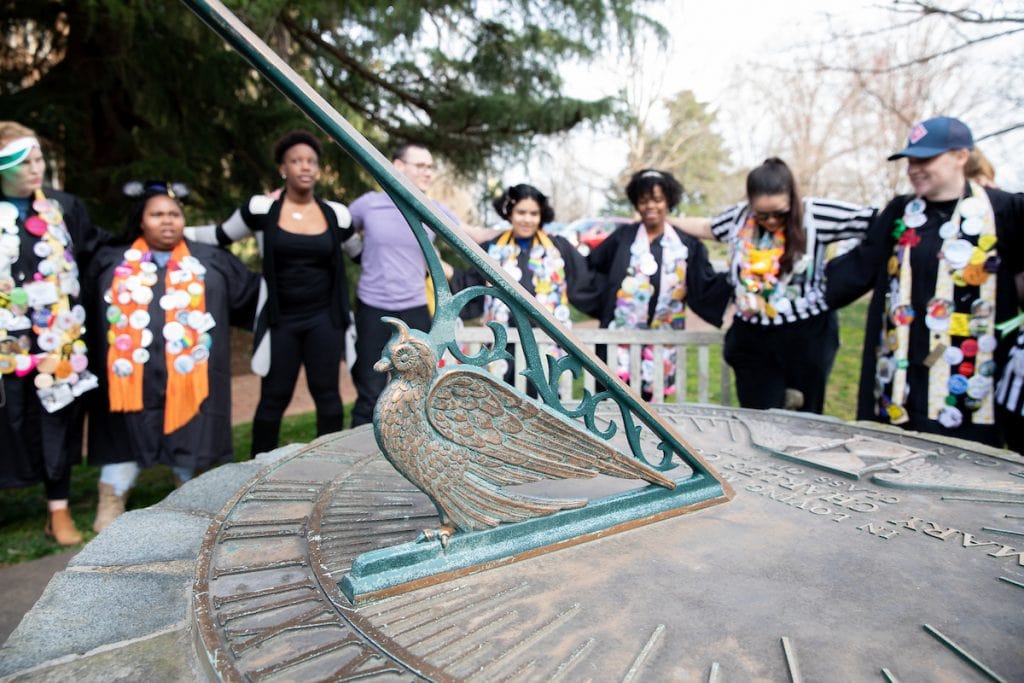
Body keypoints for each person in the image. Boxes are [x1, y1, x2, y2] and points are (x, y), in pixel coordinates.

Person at [826, 116, 1024, 447]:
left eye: (925, 159)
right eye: (911, 161)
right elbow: (858, 268)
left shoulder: (1002, 210)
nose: (914, 169)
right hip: (902, 387)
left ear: (961, 156)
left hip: (971, 394)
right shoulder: (900, 212)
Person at [87, 181, 260, 531]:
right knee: (124, 428)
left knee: (190, 428)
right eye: (157, 214)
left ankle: (188, 490)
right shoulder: (112, 261)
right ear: (141, 221)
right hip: (131, 374)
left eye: (174, 213)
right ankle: (112, 493)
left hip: (189, 372)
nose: (167, 221)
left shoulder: (209, 259)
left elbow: (253, 298)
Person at [186, 130, 359, 455]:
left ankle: (327, 463)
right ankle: (258, 468)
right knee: (273, 399)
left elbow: (360, 253)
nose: (304, 167)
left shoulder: (337, 214)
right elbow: (220, 235)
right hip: (281, 321)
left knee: (329, 397)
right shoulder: (261, 210)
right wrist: (173, 230)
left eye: (311, 161)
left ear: (318, 169)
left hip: (325, 319)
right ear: (283, 168)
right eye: (296, 161)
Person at [673, 158, 876, 413]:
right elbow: (707, 227)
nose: (770, 221)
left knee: (803, 418)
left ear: (791, 198)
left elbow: (874, 221)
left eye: (779, 213)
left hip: (806, 334)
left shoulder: (815, 214)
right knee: (757, 415)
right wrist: (664, 221)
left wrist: (840, 275)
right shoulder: (739, 217)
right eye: (762, 215)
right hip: (754, 336)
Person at [0, 122, 110, 545]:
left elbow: (95, 249)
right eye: (22, 162)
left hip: (56, 339)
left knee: (56, 418)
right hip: (6, 342)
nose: (35, 169)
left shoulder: (62, 208)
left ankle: (58, 510)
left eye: (39, 159)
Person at [347, 143, 467, 426]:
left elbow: (469, 234)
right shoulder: (369, 204)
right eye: (421, 166)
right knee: (369, 386)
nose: (428, 172)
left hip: (415, 310)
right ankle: (358, 449)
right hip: (372, 308)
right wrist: (358, 254)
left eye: (430, 167)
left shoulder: (431, 209)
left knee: (418, 387)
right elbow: (339, 227)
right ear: (398, 166)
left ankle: (411, 447)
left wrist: (511, 227)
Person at [588, 169, 731, 399]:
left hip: (662, 343)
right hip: (620, 340)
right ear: (636, 203)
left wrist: (735, 274)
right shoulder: (623, 236)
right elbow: (593, 267)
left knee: (653, 412)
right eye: (643, 201)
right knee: (610, 405)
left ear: (668, 202)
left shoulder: (685, 244)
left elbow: (704, 284)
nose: (650, 206)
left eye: (657, 200)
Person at [453, 183, 600, 390]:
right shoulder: (493, 249)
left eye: (533, 213)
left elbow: (585, 284)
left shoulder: (559, 248)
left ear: (542, 215)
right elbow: (470, 284)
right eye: (521, 212)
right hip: (503, 347)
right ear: (510, 213)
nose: (527, 219)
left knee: (545, 409)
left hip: (545, 345)